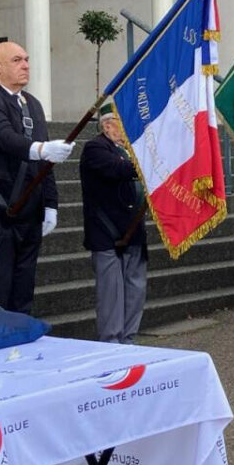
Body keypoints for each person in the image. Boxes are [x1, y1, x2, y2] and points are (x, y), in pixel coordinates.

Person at [0, 42, 72, 314]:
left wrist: (50, 204)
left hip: (28, 208)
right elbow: (2, 137)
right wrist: (40, 149)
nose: (26, 65)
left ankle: (19, 348)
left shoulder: (31, 104)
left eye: (26, 59)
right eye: (16, 60)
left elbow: (46, 163)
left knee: (23, 290)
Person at [80, 104, 149, 343]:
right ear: (107, 125)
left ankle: (129, 339)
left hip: (134, 231)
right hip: (108, 231)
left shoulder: (133, 149)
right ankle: (111, 343)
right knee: (111, 294)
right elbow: (116, 169)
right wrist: (152, 165)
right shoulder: (96, 148)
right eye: (122, 121)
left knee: (135, 290)